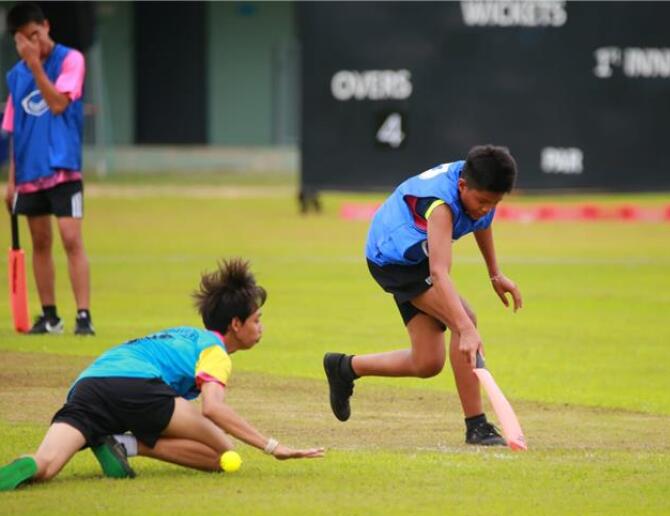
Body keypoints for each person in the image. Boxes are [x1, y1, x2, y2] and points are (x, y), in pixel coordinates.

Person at [0, 258, 324, 491]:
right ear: (236, 324)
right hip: (138, 386)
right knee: (221, 452)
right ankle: (128, 444)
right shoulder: (215, 352)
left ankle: (41, 461)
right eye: (256, 319)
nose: (261, 327)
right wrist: (272, 446)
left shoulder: (183, 333)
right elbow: (212, 408)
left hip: (88, 385)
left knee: (46, 465)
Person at [324, 145, 523, 445]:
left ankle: (344, 368)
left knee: (427, 362)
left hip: (414, 252)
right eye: (482, 201)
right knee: (464, 318)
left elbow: (482, 222)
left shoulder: (475, 182)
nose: (485, 208)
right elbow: (440, 272)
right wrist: (466, 328)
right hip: (392, 258)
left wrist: (495, 274)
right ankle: (477, 425)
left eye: (493, 203)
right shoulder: (441, 205)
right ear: (462, 186)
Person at [3, 2, 94, 335]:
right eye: (20, 40)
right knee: (40, 241)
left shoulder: (71, 60)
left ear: (45, 27)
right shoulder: (15, 76)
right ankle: (50, 315)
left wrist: (36, 67)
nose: (28, 46)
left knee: (71, 238)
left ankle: (83, 315)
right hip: (30, 172)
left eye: (32, 37)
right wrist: (11, 182)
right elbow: (14, 129)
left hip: (63, 167)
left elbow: (57, 104)